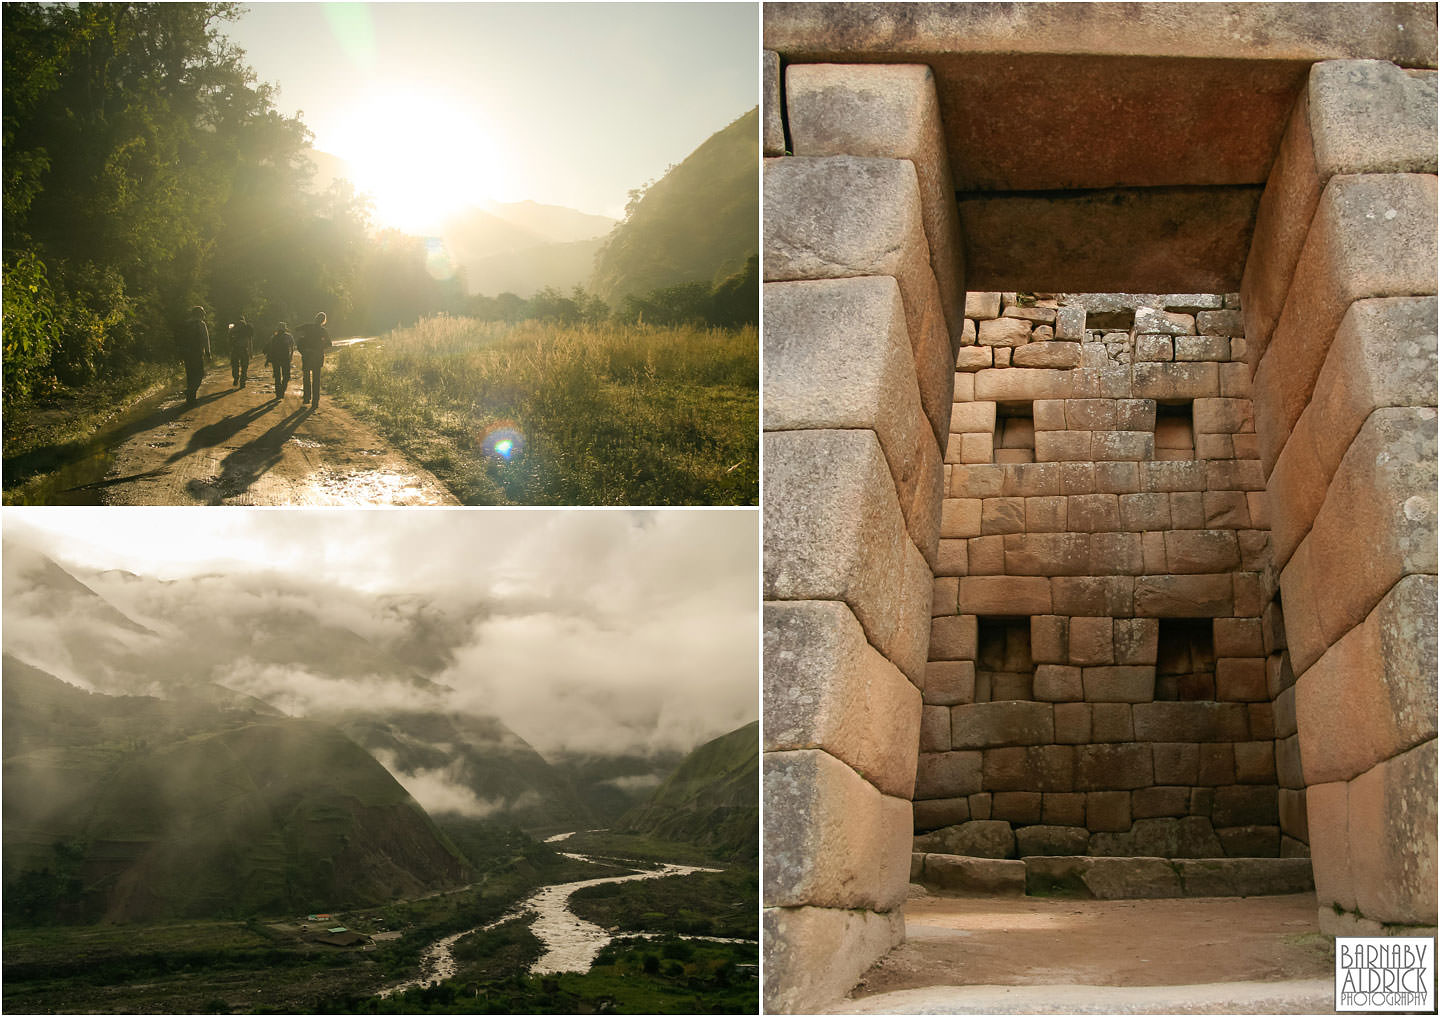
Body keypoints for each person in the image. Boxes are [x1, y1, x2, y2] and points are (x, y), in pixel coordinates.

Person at [295, 311, 331, 408]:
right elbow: (329, 344)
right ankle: (315, 402)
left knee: (306, 378)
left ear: (315, 318)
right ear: (323, 321)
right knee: (316, 380)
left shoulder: (308, 326)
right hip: (318, 357)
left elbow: (296, 329)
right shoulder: (323, 331)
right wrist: (320, 346)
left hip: (307, 356)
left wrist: (303, 338)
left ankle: (307, 398)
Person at [178, 305, 210, 406]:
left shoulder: (185, 324)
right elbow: (206, 339)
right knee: (199, 374)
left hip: (187, 353)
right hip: (197, 353)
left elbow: (180, 339)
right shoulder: (200, 324)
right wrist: (208, 353)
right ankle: (191, 393)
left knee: (190, 375)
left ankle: (190, 398)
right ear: (200, 314)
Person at [265, 321, 295, 398]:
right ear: (285, 329)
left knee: (277, 376)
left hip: (276, 359)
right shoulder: (289, 336)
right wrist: (291, 356)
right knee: (286, 376)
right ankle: (282, 390)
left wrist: (268, 359)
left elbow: (270, 349)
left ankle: (278, 393)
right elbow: (292, 347)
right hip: (285, 358)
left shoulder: (274, 337)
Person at [229, 315, 255, 388]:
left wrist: (230, 351)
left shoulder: (233, 328)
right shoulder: (247, 328)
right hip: (244, 349)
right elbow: (250, 342)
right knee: (244, 366)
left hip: (235, 349)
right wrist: (251, 352)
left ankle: (236, 377)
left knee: (235, 365)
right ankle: (242, 380)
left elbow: (230, 340)